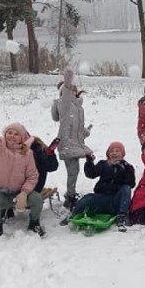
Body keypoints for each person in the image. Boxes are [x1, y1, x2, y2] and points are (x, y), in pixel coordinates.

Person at [0, 119, 39, 241]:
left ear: (22, 137)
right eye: (10, 132)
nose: (12, 136)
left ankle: (34, 224)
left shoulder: (27, 153)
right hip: (0, 192)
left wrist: (24, 193)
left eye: (16, 134)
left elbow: (32, 176)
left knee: (37, 199)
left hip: (18, 193)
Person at [61, 141, 136, 232]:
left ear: (122, 154)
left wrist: (123, 171)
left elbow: (131, 184)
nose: (114, 153)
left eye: (117, 151)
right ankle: (74, 213)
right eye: (112, 151)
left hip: (116, 200)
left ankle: (121, 216)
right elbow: (91, 174)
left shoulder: (127, 167)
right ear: (108, 154)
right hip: (102, 199)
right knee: (88, 198)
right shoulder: (103, 164)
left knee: (126, 189)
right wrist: (89, 162)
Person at [52, 68, 92, 210]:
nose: (73, 92)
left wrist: (85, 132)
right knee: (73, 170)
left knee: (74, 170)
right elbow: (66, 96)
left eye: (75, 90)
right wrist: (67, 82)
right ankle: (70, 196)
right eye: (70, 90)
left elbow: (75, 128)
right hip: (67, 143)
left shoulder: (77, 107)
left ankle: (71, 193)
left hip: (75, 143)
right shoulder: (65, 104)